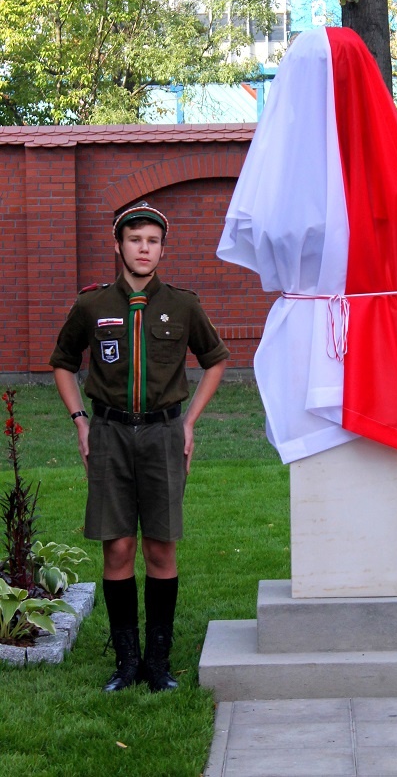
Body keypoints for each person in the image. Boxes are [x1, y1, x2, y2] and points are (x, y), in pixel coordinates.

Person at [49, 202, 229, 693]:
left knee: (161, 546)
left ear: (162, 249)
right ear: (118, 246)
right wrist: (80, 422)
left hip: (163, 435)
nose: (143, 249)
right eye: (134, 240)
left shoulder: (182, 305)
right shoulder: (92, 305)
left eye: (152, 241)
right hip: (108, 434)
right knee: (119, 545)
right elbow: (63, 362)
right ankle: (127, 663)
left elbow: (215, 360)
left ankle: (158, 662)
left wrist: (189, 422)